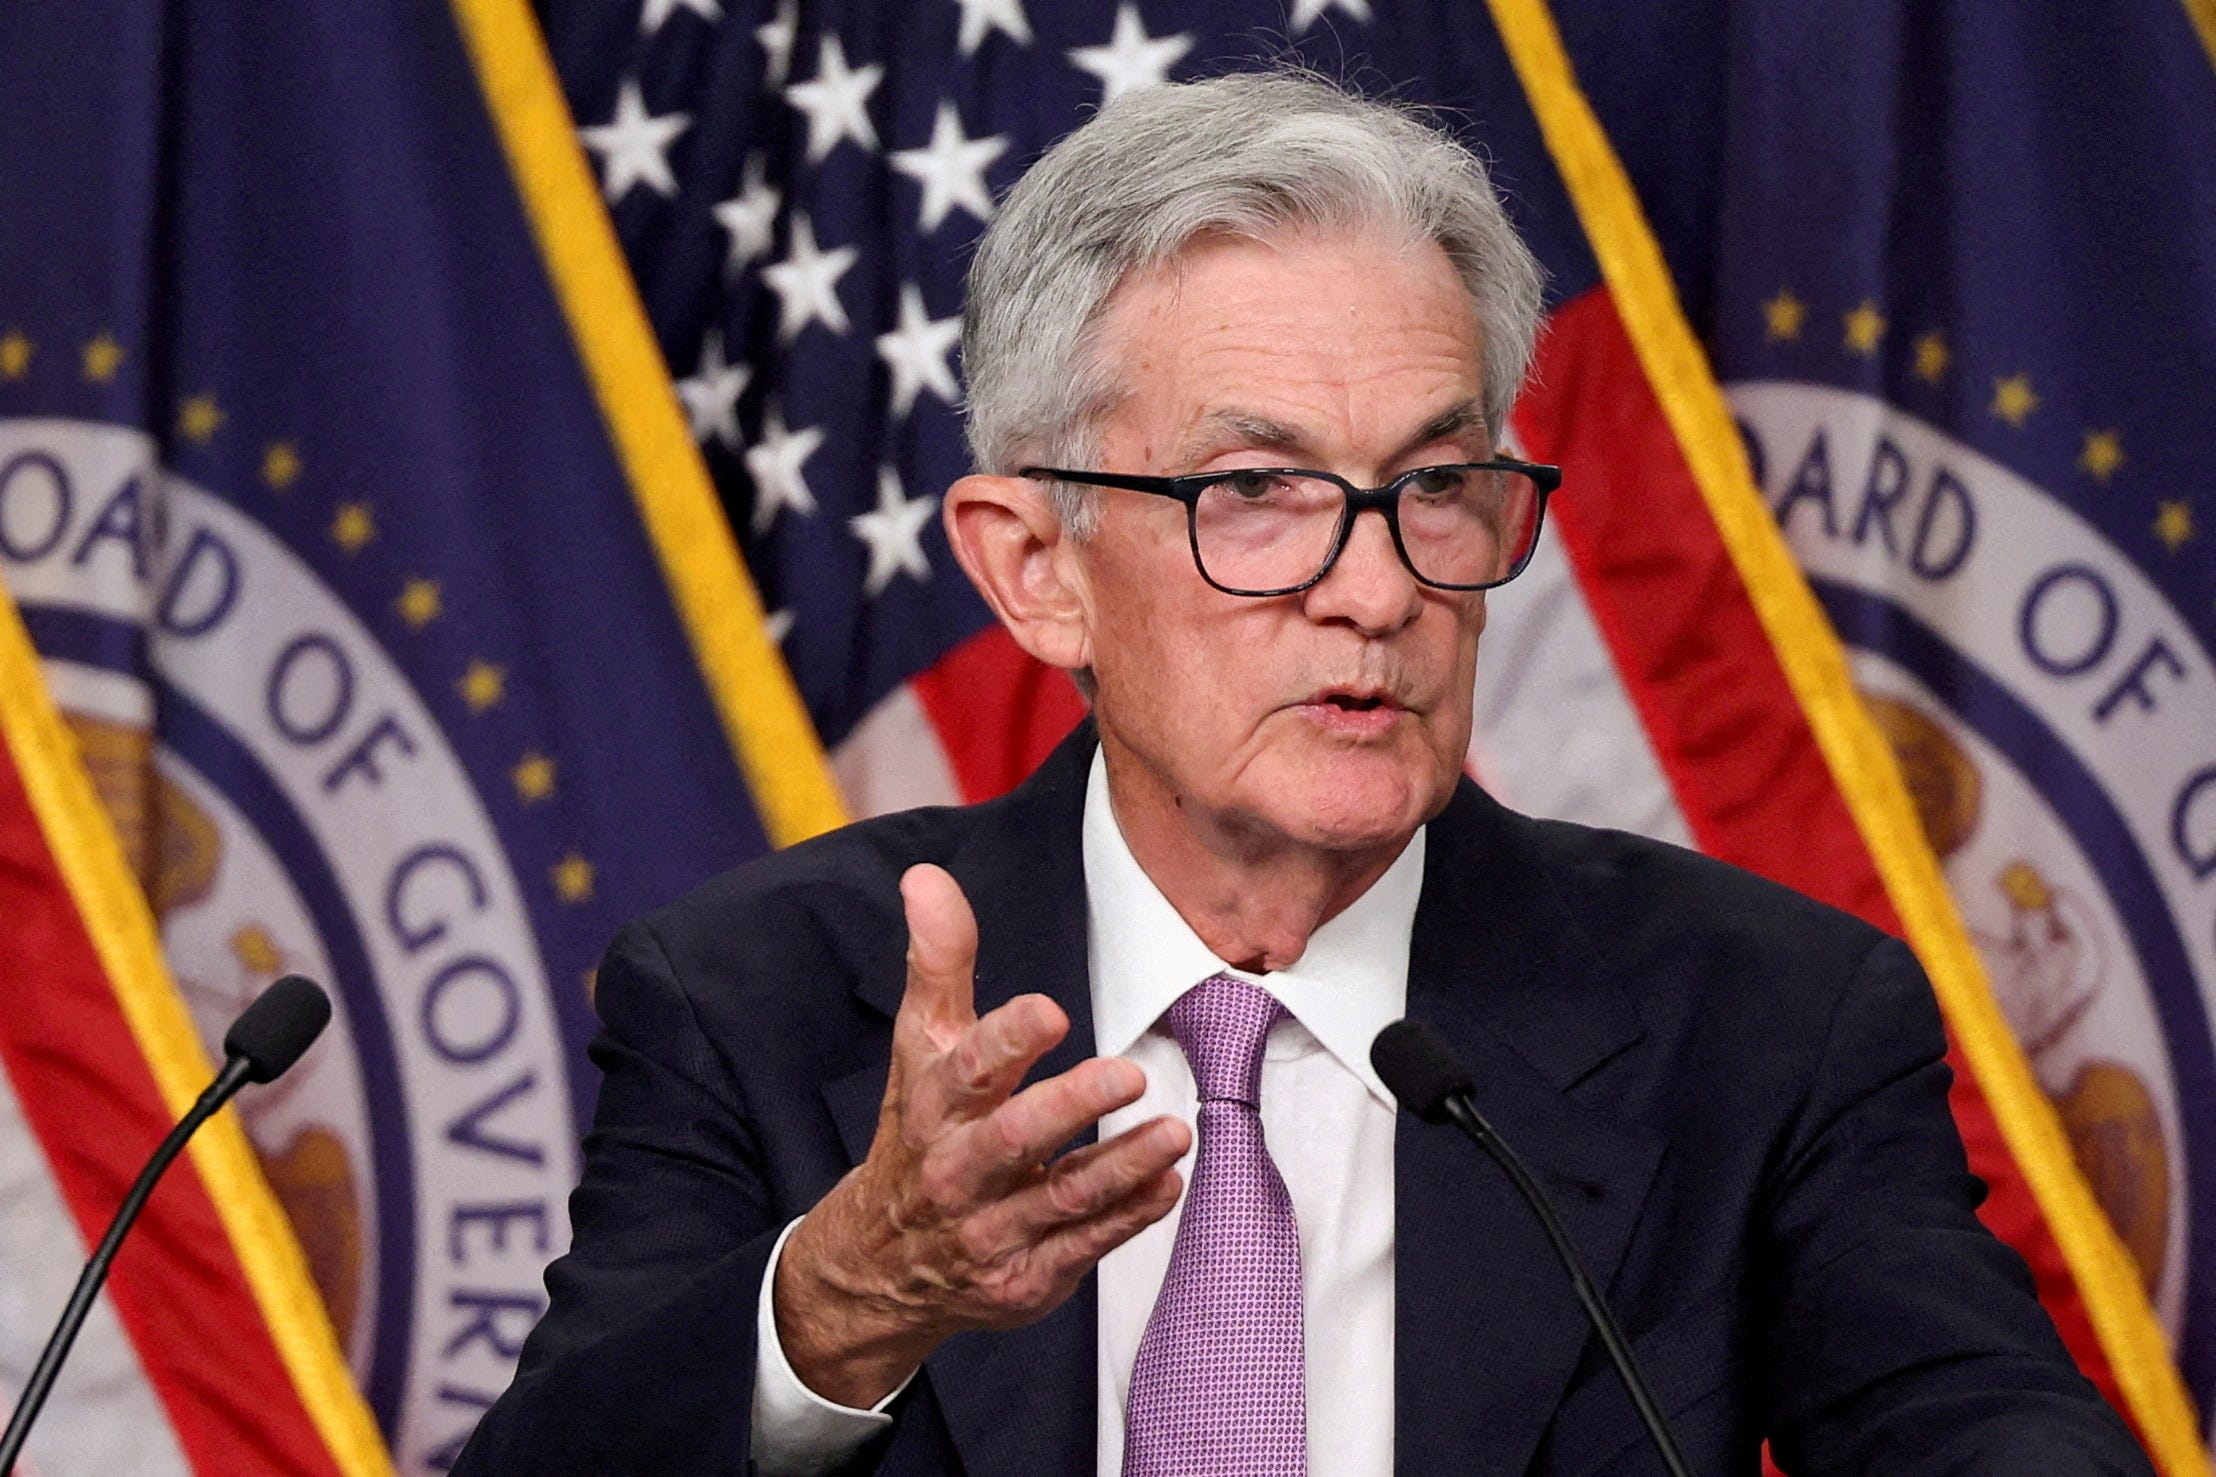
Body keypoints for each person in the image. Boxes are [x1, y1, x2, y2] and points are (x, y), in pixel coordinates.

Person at [454, 70, 2151, 1476]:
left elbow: (1985, 1431)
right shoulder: (761, 998)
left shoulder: (1765, 1019)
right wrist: (840, 1299)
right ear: (1035, 565)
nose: (1379, 584)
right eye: (1256, 490)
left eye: (1436, 484)